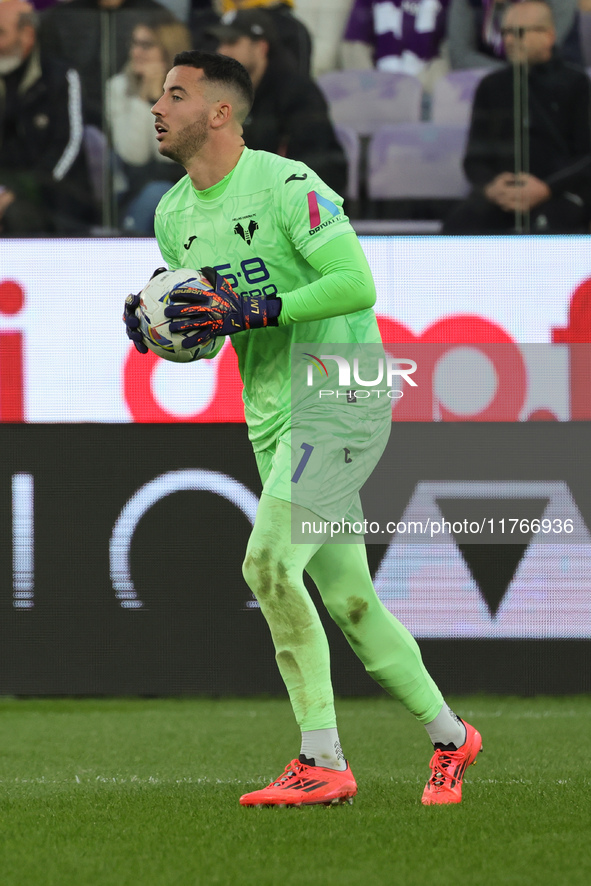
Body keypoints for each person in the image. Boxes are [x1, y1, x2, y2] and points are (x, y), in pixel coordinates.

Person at [123, 49, 482, 807]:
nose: (157, 107)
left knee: (268, 566)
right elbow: (214, 337)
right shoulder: (172, 215)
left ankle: (320, 759)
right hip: (273, 415)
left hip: (341, 391)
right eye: (159, 95)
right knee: (351, 603)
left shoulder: (288, 186)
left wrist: (257, 307)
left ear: (220, 113)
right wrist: (166, 335)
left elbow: (356, 281)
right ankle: (452, 738)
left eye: (176, 94)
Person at [443, 0, 591, 235]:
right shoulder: (491, 86)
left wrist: (547, 188)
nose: (509, 41)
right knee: (460, 225)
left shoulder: (577, 85)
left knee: (549, 226)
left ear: (548, 36)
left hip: (559, 193)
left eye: (519, 33)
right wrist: (492, 186)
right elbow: (474, 158)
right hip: (502, 196)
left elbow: (586, 158)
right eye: (505, 33)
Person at [207, 9, 347, 194]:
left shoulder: (298, 93)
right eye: (221, 43)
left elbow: (316, 163)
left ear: (261, 47)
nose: (222, 51)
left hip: (295, 203)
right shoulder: (222, 95)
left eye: (232, 42)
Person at [0, 0, 96, 235]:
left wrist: (19, 192)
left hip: (56, 197)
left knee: (19, 216)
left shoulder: (62, 78)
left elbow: (68, 148)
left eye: (0, 33)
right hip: (5, 192)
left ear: (27, 34)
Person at [106, 14, 192, 233]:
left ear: (168, 51)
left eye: (146, 45)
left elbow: (172, 154)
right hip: (130, 189)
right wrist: (145, 100)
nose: (136, 52)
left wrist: (158, 98)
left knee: (163, 192)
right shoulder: (118, 87)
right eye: (134, 43)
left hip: (183, 186)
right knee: (157, 193)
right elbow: (134, 155)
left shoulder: (193, 91)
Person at [38, 0, 177, 128]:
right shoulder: (59, 19)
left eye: (145, 44)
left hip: (138, 116)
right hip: (76, 121)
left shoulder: (156, 16)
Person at [342, 0, 452, 97]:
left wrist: (427, 84)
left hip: (428, 93)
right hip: (377, 94)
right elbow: (355, 44)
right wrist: (372, 88)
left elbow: (452, 50)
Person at [447, 0, 582, 69]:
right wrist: (505, 76)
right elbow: (460, 56)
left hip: (555, 83)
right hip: (486, 85)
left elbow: (542, 50)